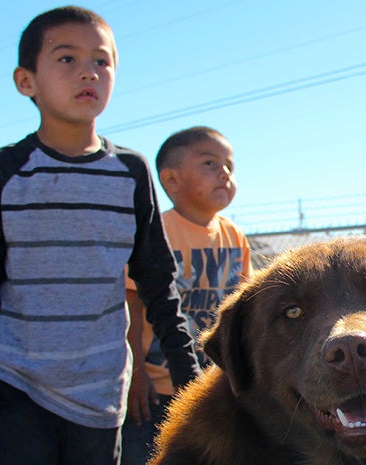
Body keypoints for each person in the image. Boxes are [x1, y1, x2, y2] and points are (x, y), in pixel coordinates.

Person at [0, 7, 201, 465]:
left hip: (101, 390)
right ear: (26, 81)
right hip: (18, 383)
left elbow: (157, 280)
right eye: (67, 59)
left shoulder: (130, 172)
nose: (88, 71)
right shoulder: (3, 171)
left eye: (102, 61)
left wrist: (187, 373)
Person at [121, 126, 253, 465]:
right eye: (210, 163)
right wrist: (135, 374)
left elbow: (245, 311)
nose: (224, 173)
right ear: (172, 180)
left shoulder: (234, 235)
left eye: (229, 166)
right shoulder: (156, 232)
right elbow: (131, 309)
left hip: (212, 385)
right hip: (155, 387)